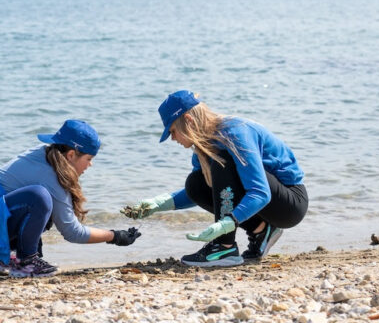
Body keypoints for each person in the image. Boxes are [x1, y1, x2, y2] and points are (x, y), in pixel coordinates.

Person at [124, 90, 308, 267]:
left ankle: (224, 248)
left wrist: (229, 222)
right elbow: (203, 190)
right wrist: (159, 204)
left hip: (290, 203)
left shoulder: (235, 133)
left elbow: (260, 193)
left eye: (172, 131)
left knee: (222, 160)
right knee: (195, 183)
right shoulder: (203, 145)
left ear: (187, 120)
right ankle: (261, 230)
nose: (173, 139)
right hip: (268, 203)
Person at [0, 119, 141, 278]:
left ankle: (9, 260)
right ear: (71, 155)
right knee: (39, 198)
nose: (90, 164)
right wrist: (115, 236)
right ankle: (26, 263)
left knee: (44, 204)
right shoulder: (50, 176)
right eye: (89, 158)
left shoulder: (47, 156)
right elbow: (72, 232)